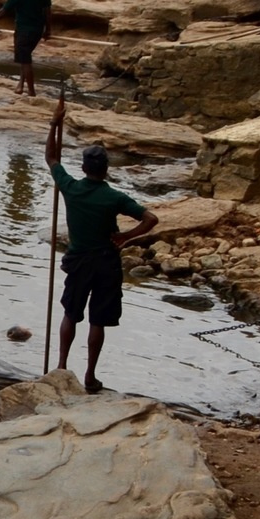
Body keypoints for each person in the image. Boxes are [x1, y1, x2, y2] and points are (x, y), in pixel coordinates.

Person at [44, 98, 160, 394]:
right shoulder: (115, 198)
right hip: (107, 262)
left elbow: (52, 159)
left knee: (71, 313)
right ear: (106, 170)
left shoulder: (71, 188)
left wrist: (55, 123)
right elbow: (151, 218)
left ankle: (60, 366)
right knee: (98, 319)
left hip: (80, 261)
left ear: (83, 168)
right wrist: (126, 236)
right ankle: (91, 376)